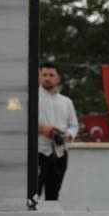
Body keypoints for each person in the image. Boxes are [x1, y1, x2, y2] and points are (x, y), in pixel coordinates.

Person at [36, 61, 78, 201]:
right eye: (44, 74)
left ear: (58, 78)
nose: (47, 78)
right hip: (38, 152)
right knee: (33, 194)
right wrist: (43, 129)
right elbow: (24, 123)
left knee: (53, 194)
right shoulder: (33, 98)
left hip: (59, 152)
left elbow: (74, 125)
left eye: (51, 75)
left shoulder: (66, 102)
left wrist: (67, 135)